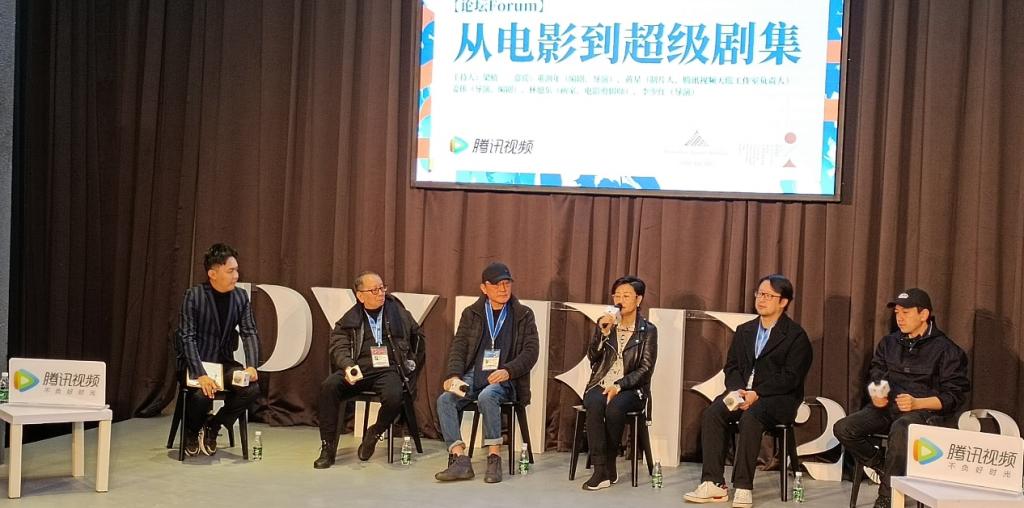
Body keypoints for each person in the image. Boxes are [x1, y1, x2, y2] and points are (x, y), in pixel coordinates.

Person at [684, 274, 813, 508]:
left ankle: (743, 486)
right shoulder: (745, 330)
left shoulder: (796, 336)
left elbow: (791, 377)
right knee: (713, 413)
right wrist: (738, 390)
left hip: (778, 399)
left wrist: (758, 393)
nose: (761, 299)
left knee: (752, 416)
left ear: (783, 302)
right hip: (742, 393)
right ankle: (713, 483)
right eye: (759, 294)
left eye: (768, 295)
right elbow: (732, 366)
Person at [834, 288, 970, 508]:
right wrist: (878, 393)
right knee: (844, 428)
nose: (899, 318)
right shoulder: (889, 343)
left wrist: (918, 403)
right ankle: (882, 465)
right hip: (888, 408)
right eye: (897, 312)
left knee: (901, 428)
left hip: (924, 413)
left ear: (924, 314)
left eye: (905, 312)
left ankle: (886, 498)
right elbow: (877, 375)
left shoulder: (947, 350)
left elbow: (954, 396)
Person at [434, 262, 539, 484]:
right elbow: (459, 347)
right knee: (445, 400)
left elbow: (531, 352)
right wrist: (453, 375)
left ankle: (494, 457)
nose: (503, 289)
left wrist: (508, 371)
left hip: (506, 379)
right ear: (484, 288)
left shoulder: (523, 314)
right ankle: (460, 459)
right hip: (475, 374)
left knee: (487, 395)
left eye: (507, 283)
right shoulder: (472, 313)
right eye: (497, 284)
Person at [313, 271, 425, 468]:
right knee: (329, 386)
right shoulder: (350, 319)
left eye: (382, 288)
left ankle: (375, 432)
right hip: (359, 369)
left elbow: (419, 338)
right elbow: (338, 346)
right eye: (374, 290)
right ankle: (327, 447)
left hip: (388, 369)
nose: (381, 293)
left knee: (394, 396)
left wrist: (410, 362)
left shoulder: (399, 313)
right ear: (360, 295)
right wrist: (348, 365)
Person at [175, 243, 260, 457]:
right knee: (202, 395)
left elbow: (249, 332)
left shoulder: (240, 297)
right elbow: (187, 337)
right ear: (212, 274)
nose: (236, 276)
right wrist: (200, 374)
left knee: (251, 388)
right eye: (230, 271)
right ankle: (192, 431)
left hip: (223, 364)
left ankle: (214, 426)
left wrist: (251, 366)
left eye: (236, 270)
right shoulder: (194, 296)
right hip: (196, 365)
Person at [580, 276, 658, 490]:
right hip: (601, 381)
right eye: (617, 296)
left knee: (614, 408)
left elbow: (646, 369)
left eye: (626, 296)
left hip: (631, 388)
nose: (620, 300)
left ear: (638, 300)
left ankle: (609, 463)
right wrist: (603, 333)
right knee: (594, 403)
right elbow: (592, 357)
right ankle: (600, 470)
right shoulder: (606, 323)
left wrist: (620, 385)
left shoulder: (648, 330)